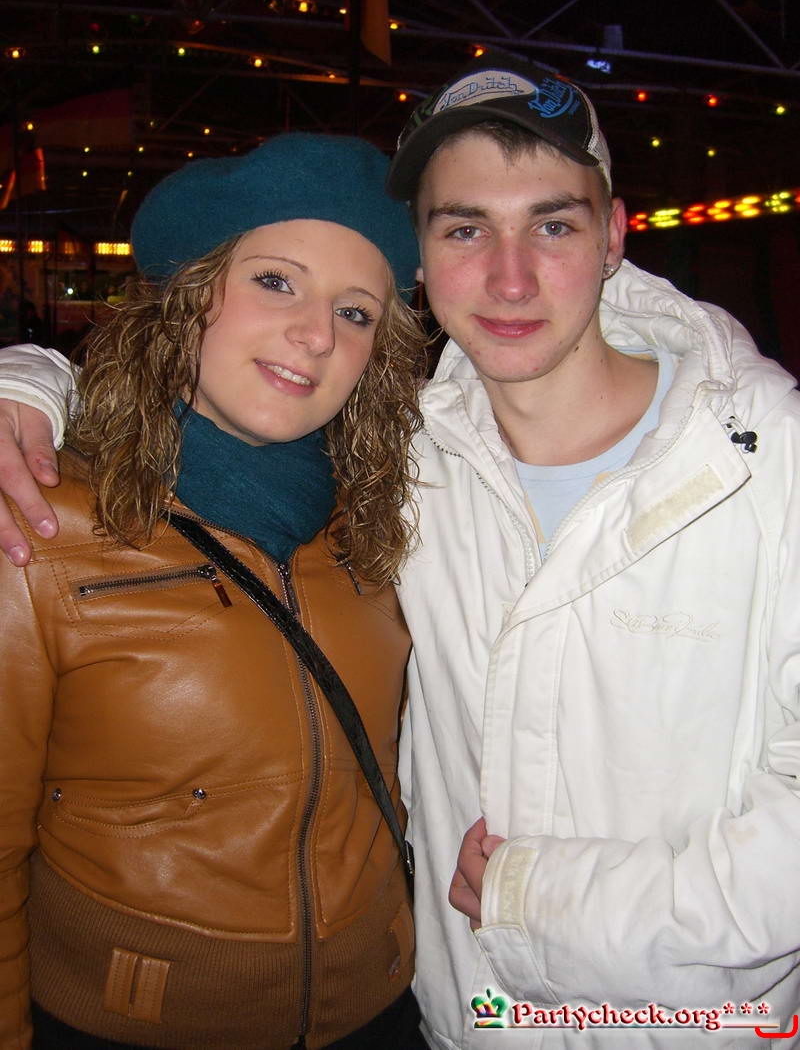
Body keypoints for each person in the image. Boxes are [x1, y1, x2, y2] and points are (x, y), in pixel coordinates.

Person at [1, 51, 800, 1047]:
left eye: (552, 224)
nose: (510, 275)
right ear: (425, 259)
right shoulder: (400, 474)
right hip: (436, 1020)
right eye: (466, 228)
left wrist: (540, 901)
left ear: (613, 237)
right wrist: (31, 380)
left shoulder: (759, 463)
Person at [0, 131, 431, 1050]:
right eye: (276, 281)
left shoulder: (382, 526)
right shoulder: (42, 520)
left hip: (382, 1010)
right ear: (193, 295)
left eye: (355, 313)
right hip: (133, 1023)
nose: (318, 334)